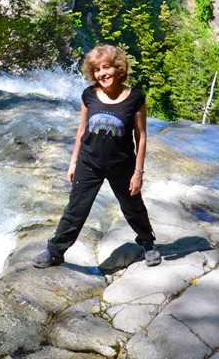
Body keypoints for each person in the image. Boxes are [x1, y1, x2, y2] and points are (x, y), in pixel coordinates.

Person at [33, 44, 161, 268]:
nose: (103, 73)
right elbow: (82, 130)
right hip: (89, 162)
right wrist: (73, 162)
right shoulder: (89, 95)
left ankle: (148, 244)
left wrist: (138, 172)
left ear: (118, 68)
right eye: (97, 70)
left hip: (122, 164)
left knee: (133, 207)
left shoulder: (135, 98)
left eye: (107, 67)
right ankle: (55, 252)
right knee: (76, 209)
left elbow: (141, 136)